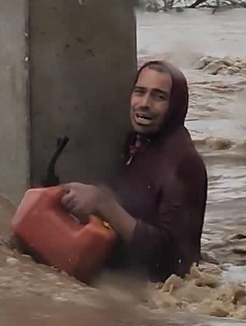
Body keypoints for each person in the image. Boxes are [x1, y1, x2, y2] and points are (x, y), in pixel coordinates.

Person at [60, 60, 208, 283]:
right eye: (140, 92)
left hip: (157, 298)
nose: (144, 103)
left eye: (159, 97)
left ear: (175, 106)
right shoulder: (138, 144)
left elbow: (175, 263)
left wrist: (104, 204)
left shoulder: (184, 164)